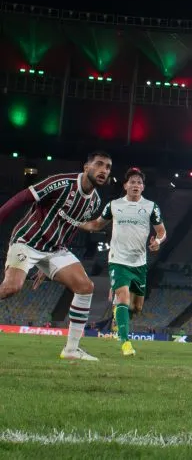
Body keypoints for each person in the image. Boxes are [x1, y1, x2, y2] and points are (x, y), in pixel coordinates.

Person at [0, 151, 111, 360]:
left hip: (55, 249)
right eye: (100, 164)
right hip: (28, 241)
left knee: (86, 287)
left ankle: (71, 350)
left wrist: (48, 267)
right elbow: (21, 198)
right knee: (11, 288)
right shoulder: (61, 182)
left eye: (108, 167)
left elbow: (71, 227)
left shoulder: (94, 202)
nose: (104, 170)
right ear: (87, 168)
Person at [77, 167, 167, 357]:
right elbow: (97, 225)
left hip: (140, 263)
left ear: (143, 187)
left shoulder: (151, 207)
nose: (136, 185)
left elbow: (161, 232)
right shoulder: (114, 205)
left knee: (137, 307)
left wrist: (157, 242)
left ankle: (120, 313)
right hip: (118, 260)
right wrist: (75, 222)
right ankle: (126, 342)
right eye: (132, 182)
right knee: (123, 298)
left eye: (139, 182)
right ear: (125, 185)